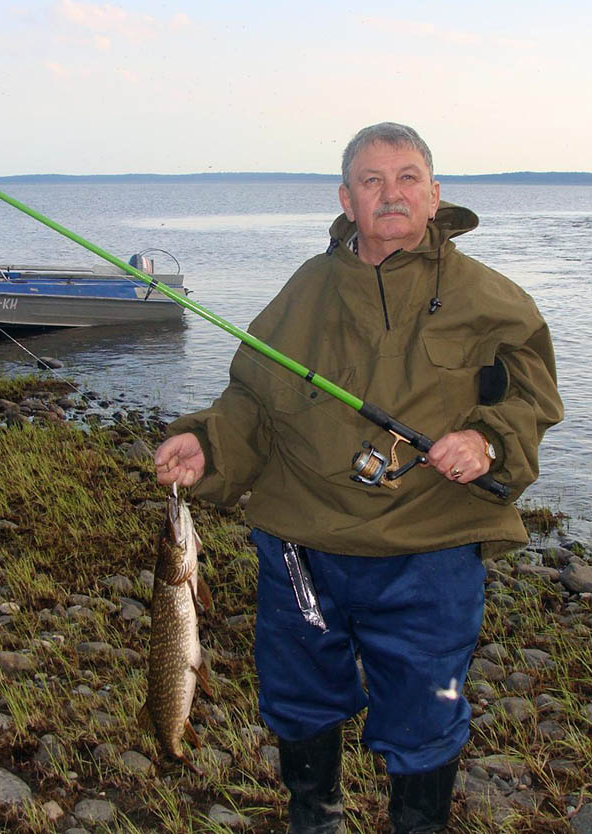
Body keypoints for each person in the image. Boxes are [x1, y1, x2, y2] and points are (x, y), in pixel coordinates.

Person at [155, 122, 563, 833]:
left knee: (426, 716)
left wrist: (488, 442)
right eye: (372, 181)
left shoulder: (492, 298)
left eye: (408, 179)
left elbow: (532, 399)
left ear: (435, 195)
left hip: (432, 546)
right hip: (302, 545)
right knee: (299, 701)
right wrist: (206, 446)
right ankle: (315, 818)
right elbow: (252, 404)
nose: (391, 194)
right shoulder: (305, 291)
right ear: (347, 199)